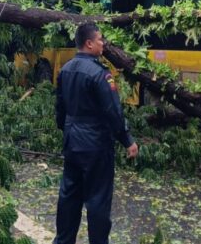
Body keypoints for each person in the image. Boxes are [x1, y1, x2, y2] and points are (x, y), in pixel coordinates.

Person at [53, 23, 139, 244]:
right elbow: (113, 111)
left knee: (69, 195)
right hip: (96, 144)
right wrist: (127, 140)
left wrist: (68, 130)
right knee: (98, 200)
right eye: (101, 39)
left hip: (72, 141)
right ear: (89, 43)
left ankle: (63, 241)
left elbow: (60, 109)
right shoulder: (100, 74)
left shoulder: (66, 69)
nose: (104, 44)